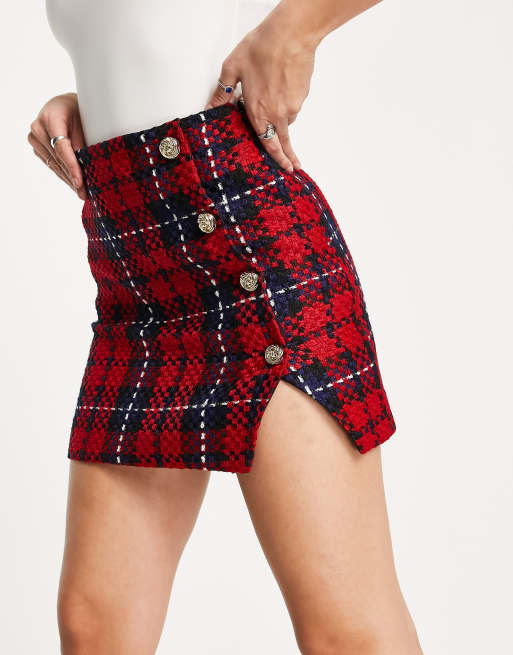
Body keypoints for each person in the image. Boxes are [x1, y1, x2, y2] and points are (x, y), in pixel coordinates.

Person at [28, 1, 424, 653]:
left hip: (246, 252)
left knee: (346, 634)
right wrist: (95, 107)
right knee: (93, 625)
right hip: (135, 279)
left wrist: (293, 30)